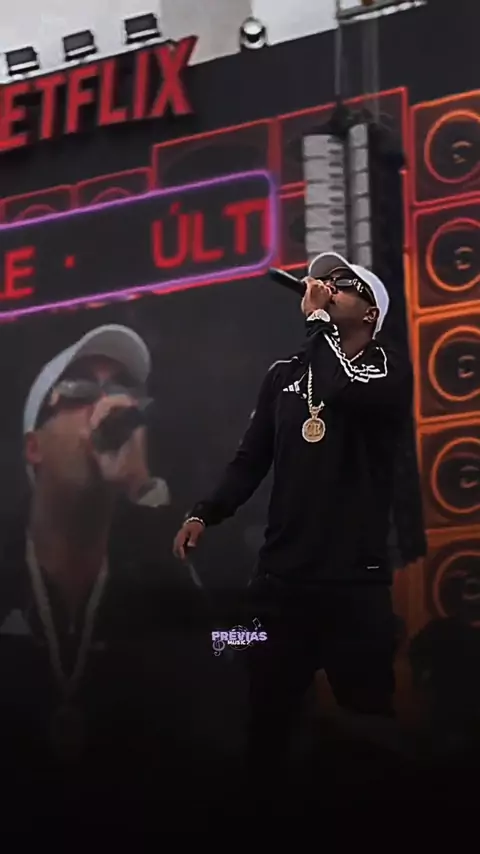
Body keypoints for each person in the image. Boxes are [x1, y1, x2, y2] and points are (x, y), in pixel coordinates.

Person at [173, 251, 419, 785]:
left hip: (355, 584)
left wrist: (317, 323)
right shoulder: (284, 374)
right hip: (281, 582)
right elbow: (251, 458)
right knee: (265, 718)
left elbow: (339, 387)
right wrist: (206, 512)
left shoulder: (389, 368)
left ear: (371, 312)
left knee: (368, 723)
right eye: (322, 280)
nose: (326, 286)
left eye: (341, 283)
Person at [0, 324, 215, 825]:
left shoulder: (155, 564)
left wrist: (144, 495)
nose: (109, 408)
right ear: (34, 448)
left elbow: (235, 646)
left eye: (122, 394)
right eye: (79, 393)